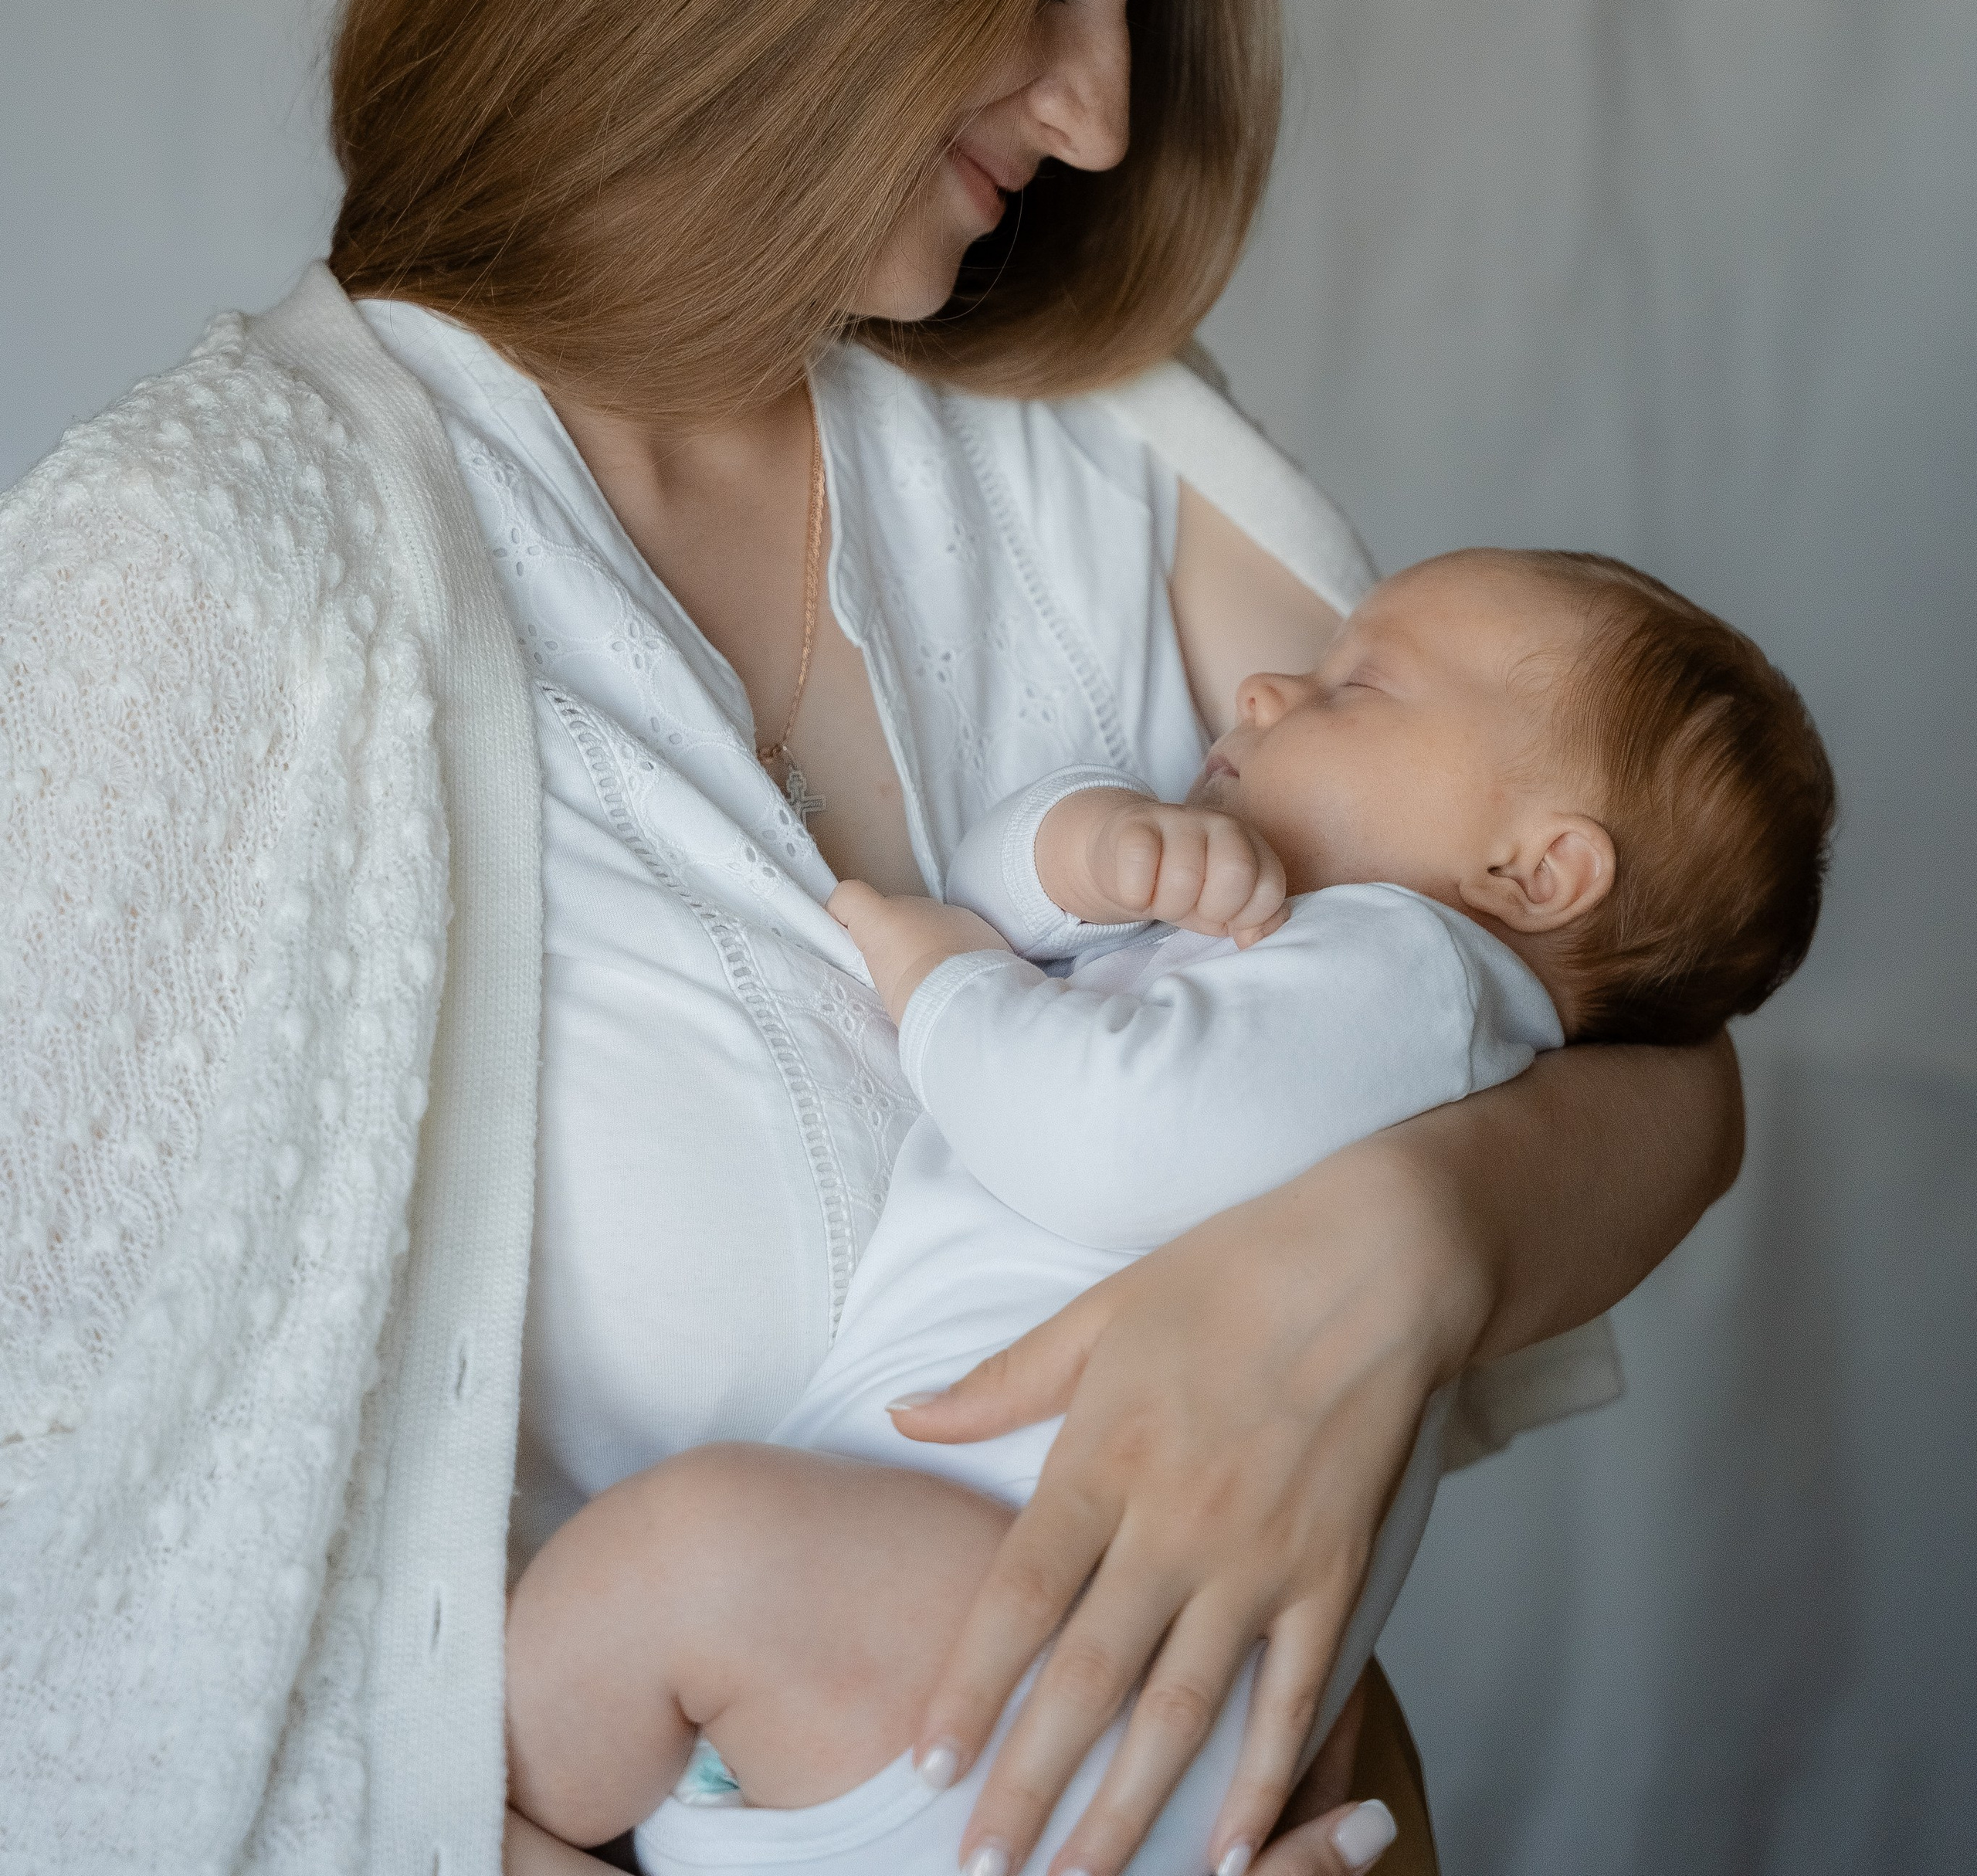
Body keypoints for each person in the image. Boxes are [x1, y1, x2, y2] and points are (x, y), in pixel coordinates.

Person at [0, 0, 1745, 1876]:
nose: (1105, 117)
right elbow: (74, 1618)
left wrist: (1400, 1253)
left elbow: (1647, 1037)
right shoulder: (208, 576)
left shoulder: (1096, 455)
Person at [502, 547, 1832, 1876]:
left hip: (1010, 1653)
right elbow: (1012, 909)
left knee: (689, 1559)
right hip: (989, 1682)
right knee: (685, 1579)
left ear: (1537, 874)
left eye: (1355, 688)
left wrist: (949, 981)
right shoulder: (1319, 968)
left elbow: (1103, 1137)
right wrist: (1088, 851)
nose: (1264, 690)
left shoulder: (1412, 975)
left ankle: (472, 1807)